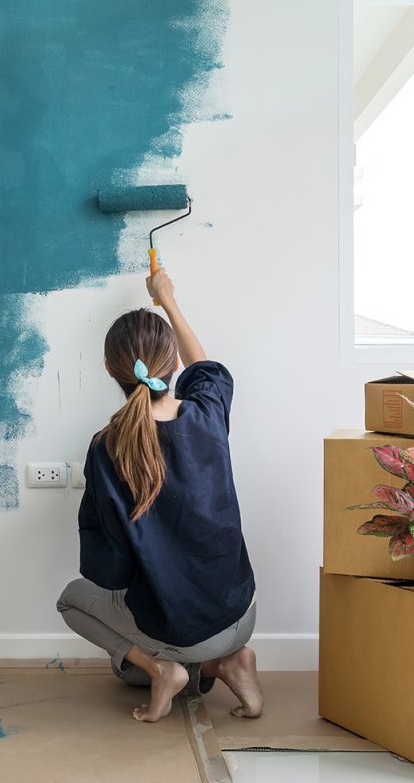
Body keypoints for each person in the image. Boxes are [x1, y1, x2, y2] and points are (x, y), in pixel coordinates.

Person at [56, 267, 262, 723]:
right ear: (172, 365)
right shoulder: (207, 414)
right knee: (145, 651)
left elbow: (109, 570)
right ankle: (227, 660)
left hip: (187, 631)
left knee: (74, 602)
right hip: (242, 612)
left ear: (111, 371)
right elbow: (206, 368)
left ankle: (163, 668)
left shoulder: (105, 447)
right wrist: (167, 299)